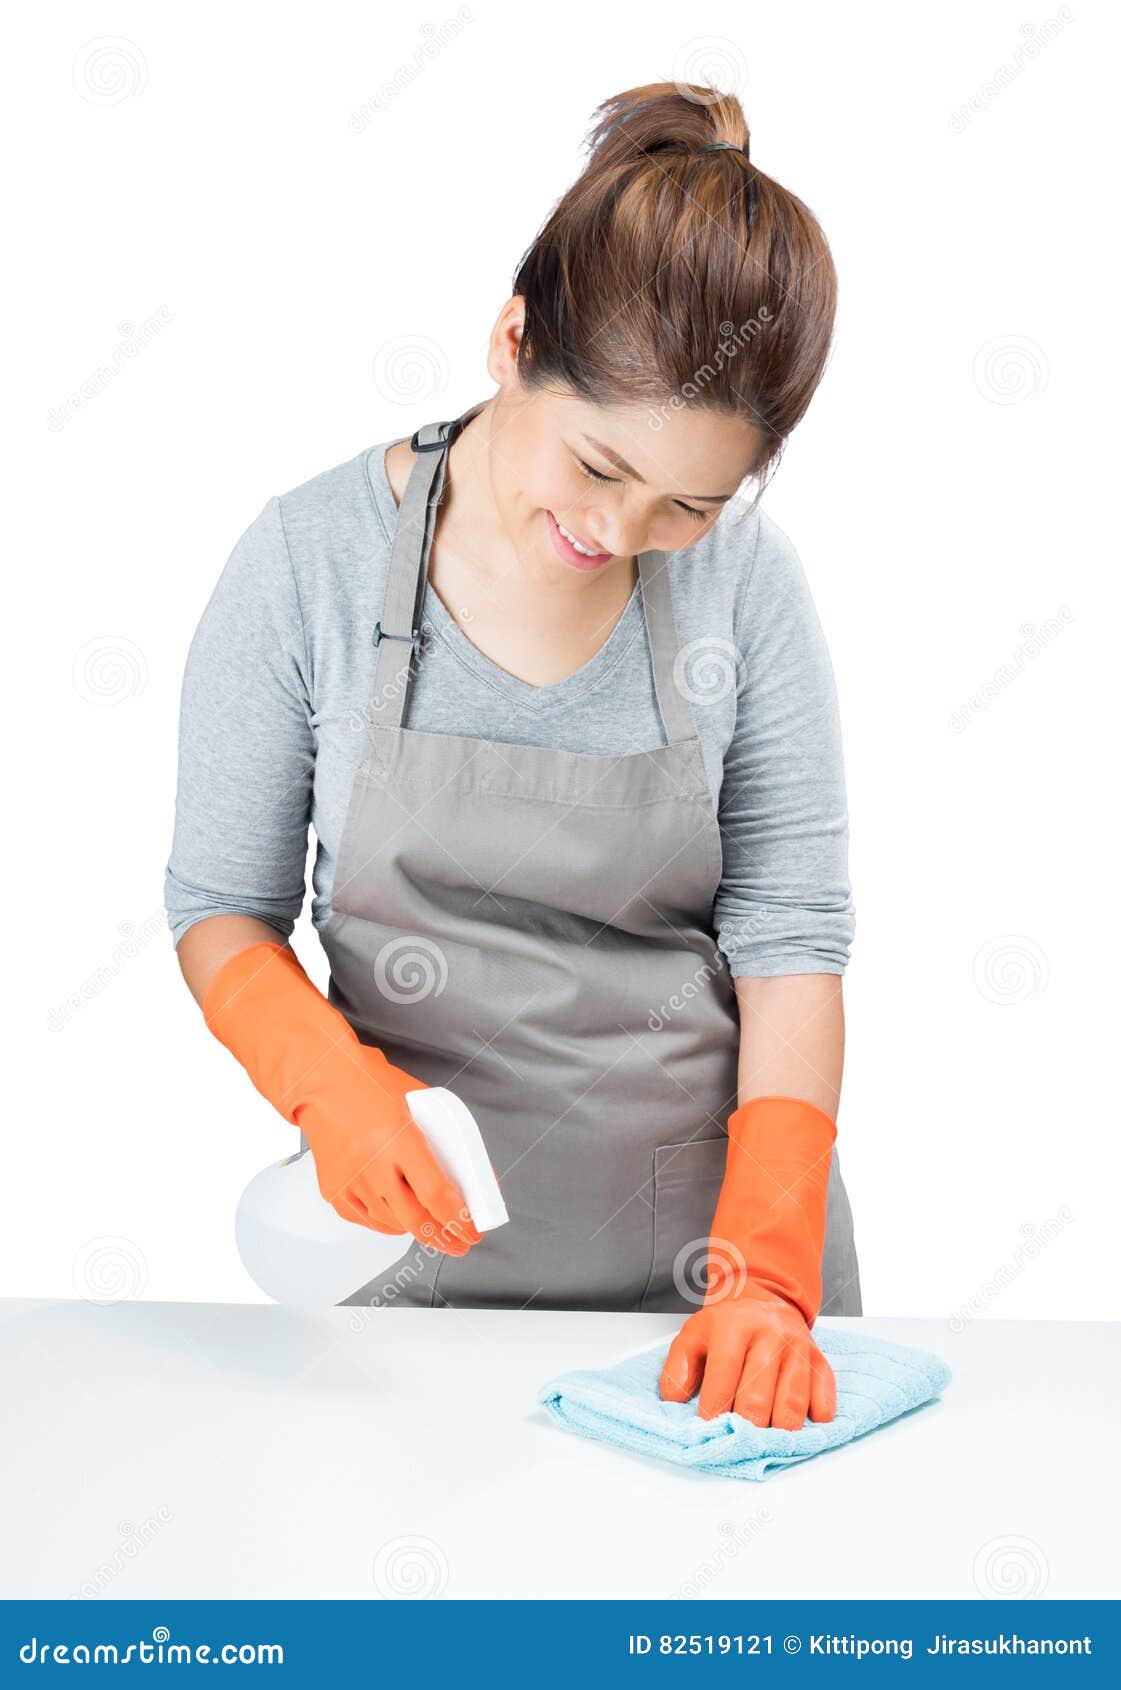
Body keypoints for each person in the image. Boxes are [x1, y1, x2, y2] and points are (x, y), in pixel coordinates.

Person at [165, 81, 862, 1432]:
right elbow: (218, 908)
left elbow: (791, 939)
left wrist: (769, 1278)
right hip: (406, 1292)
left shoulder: (746, 587)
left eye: (688, 503)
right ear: (512, 338)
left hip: (709, 1312)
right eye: (597, 467)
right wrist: (328, 1081)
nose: (621, 532)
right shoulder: (307, 565)